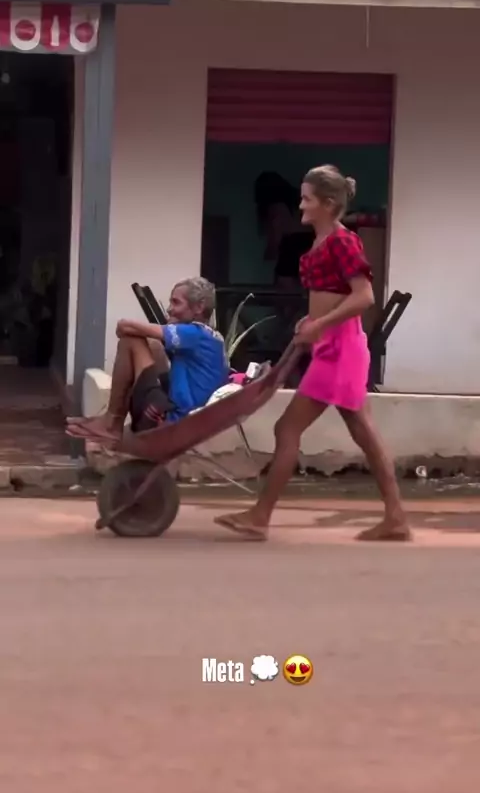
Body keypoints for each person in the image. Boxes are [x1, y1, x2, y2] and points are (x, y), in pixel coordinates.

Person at [215, 165, 411, 543]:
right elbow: (333, 296)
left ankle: (260, 516)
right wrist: (311, 320)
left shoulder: (342, 242)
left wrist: (319, 324)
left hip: (340, 349)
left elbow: (364, 297)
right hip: (331, 347)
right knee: (364, 434)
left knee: (288, 428)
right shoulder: (322, 242)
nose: (300, 205)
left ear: (328, 203)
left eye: (307, 199)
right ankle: (396, 518)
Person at [67, 277, 229, 443]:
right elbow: (157, 346)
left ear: (199, 307)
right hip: (189, 420)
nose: (169, 309)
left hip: (175, 423)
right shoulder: (212, 337)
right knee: (153, 345)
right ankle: (109, 419)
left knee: (131, 341)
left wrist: (125, 327)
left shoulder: (194, 334)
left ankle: (112, 423)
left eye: (176, 303)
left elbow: (126, 327)